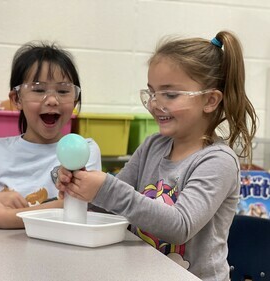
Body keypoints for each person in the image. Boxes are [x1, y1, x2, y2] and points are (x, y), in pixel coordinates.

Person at [56, 31, 257, 281]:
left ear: (210, 100)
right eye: (152, 92)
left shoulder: (218, 161)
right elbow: (112, 206)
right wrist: (81, 188)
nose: (154, 103)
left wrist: (105, 188)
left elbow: (180, 226)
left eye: (170, 94)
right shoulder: (153, 146)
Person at [0, 42, 101, 229]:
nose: (51, 100)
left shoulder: (83, 149)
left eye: (63, 91)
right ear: (17, 99)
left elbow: (77, 205)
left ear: (74, 100)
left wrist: (7, 218)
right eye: (39, 90)